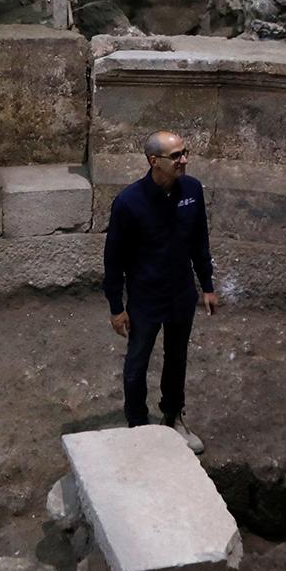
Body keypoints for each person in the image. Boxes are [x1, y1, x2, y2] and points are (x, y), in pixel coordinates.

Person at [102, 128, 217, 452]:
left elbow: (200, 241)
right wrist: (116, 306)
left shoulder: (192, 190)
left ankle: (173, 416)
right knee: (137, 362)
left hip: (181, 293)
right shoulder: (128, 203)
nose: (185, 160)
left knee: (176, 357)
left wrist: (207, 285)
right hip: (145, 298)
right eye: (176, 155)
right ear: (154, 161)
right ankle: (138, 424)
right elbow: (114, 259)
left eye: (185, 152)